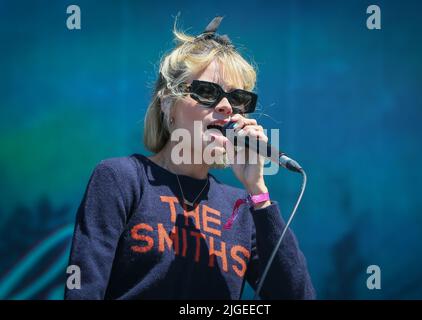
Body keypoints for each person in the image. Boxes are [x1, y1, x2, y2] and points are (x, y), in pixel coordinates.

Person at [65, 16, 315, 300]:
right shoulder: (121, 178)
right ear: (169, 104)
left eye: (237, 99)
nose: (224, 107)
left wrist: (258, 192)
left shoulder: (242, 208)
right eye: (207, 92)